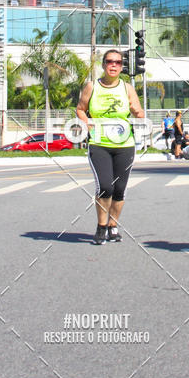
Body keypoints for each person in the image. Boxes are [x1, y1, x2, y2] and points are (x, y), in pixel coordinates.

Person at [76, 49, 144, 245]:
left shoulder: (127, 88)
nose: (113, 65)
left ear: (122, 67)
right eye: (109, 62)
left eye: (118, 62)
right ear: (103, 65)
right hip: (99, 143)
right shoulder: (92, 87)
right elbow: (80, 109)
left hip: (125, 144)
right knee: (106, 186)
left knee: (120, 189)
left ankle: (113, 227)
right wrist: (87, 122)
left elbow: (138, 111)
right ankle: (101, 226)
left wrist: (138, 113)